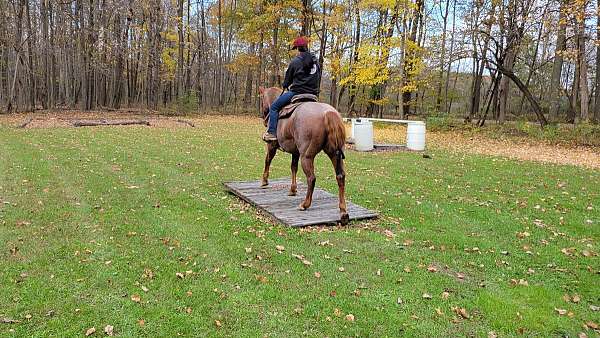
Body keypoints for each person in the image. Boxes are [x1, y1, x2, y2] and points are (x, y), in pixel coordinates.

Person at [263, 36, 321, 142]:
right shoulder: (315, 61)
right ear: (306, 46)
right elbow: (318, 76)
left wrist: (285, 85)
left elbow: (287, 81)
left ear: (298, 48)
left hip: (297, 93)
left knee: (274, 107)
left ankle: (271, 132)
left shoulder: (295, 61)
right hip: (313, 94)